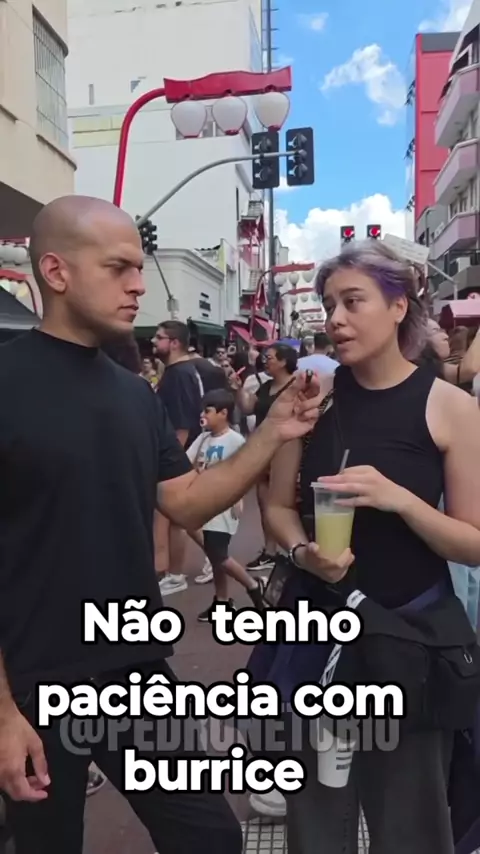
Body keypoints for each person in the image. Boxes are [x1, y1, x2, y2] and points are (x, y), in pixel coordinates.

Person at [0, 195, 323, 854]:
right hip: (30, 680)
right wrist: (3, 712)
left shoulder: (132, 393)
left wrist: (271, 435)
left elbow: (189, 502)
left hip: (133, 664)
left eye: (139, 267)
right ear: (56, 271)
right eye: (118, 267)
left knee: (211, 839)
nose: (139, 285)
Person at [258, 239, 480, 854]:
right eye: (330, 303)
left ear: (399, 306)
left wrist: (399, 499)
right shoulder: (310, 400)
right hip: (318, 639)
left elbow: (473, 543)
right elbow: (277, 509)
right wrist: (302, 554)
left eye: (352, 301)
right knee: (315, 823)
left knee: (411, 827)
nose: (335, 318)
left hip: (409, 641)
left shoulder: (449, 407)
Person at [185, 389, 266, 621]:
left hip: (223, 506)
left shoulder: (235, 440)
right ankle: (221, 602)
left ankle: (253, 585)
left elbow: (245, 472)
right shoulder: (203, 438)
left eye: (208, 411)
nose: (203, 415)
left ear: (223, 413)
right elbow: (187, 461)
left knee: (218, 555)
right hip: (204, 504)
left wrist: (237, 497)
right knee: (214, 556)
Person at [231, 343, 298, 572]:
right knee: (264, 501)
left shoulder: (296, 386)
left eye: (269, 358)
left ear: (284, 361)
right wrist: (238, 389)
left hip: (287, 452)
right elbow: (248, 408)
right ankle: (270, 551)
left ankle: (294, 549)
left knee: (285, 503)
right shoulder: (266, 386)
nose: (265, 361)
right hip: (264, 450)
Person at [152, 320, 204, 596]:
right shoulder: (179, 372)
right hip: (178, 456)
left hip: (177, 457)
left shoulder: (180, 374)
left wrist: (173, 463)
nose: (153, 341)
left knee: (174, 517)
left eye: (159, 337)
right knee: (179, 518)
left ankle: (174, 573)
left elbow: (182, 424)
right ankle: (215, 560)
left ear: (174, 343)